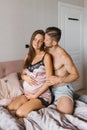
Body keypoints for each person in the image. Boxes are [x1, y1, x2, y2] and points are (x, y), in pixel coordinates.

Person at [7, 29, 53, 118]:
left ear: (43, 42)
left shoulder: (46, 57)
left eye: (40, 41)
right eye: (35, 39)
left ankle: (38, 105)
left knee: (19, 113)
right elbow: (22, 74)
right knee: (10, 108)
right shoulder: (27, 56)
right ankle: (29, 104)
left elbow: (49, 81)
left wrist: (35, 95)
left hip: (41, 95)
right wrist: (25, 77)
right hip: (27, 94)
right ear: (32, 40)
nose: (36, 42)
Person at [44, 27, 79, 114]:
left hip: (61, 88)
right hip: (47, 88)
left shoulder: (63, 56)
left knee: (65, 112)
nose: (44, 41)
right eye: (45, 38)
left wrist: (59, 79)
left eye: (47, 39)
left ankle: (70, 97)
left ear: (54, 42)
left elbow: (76, 75)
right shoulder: (45, 50)